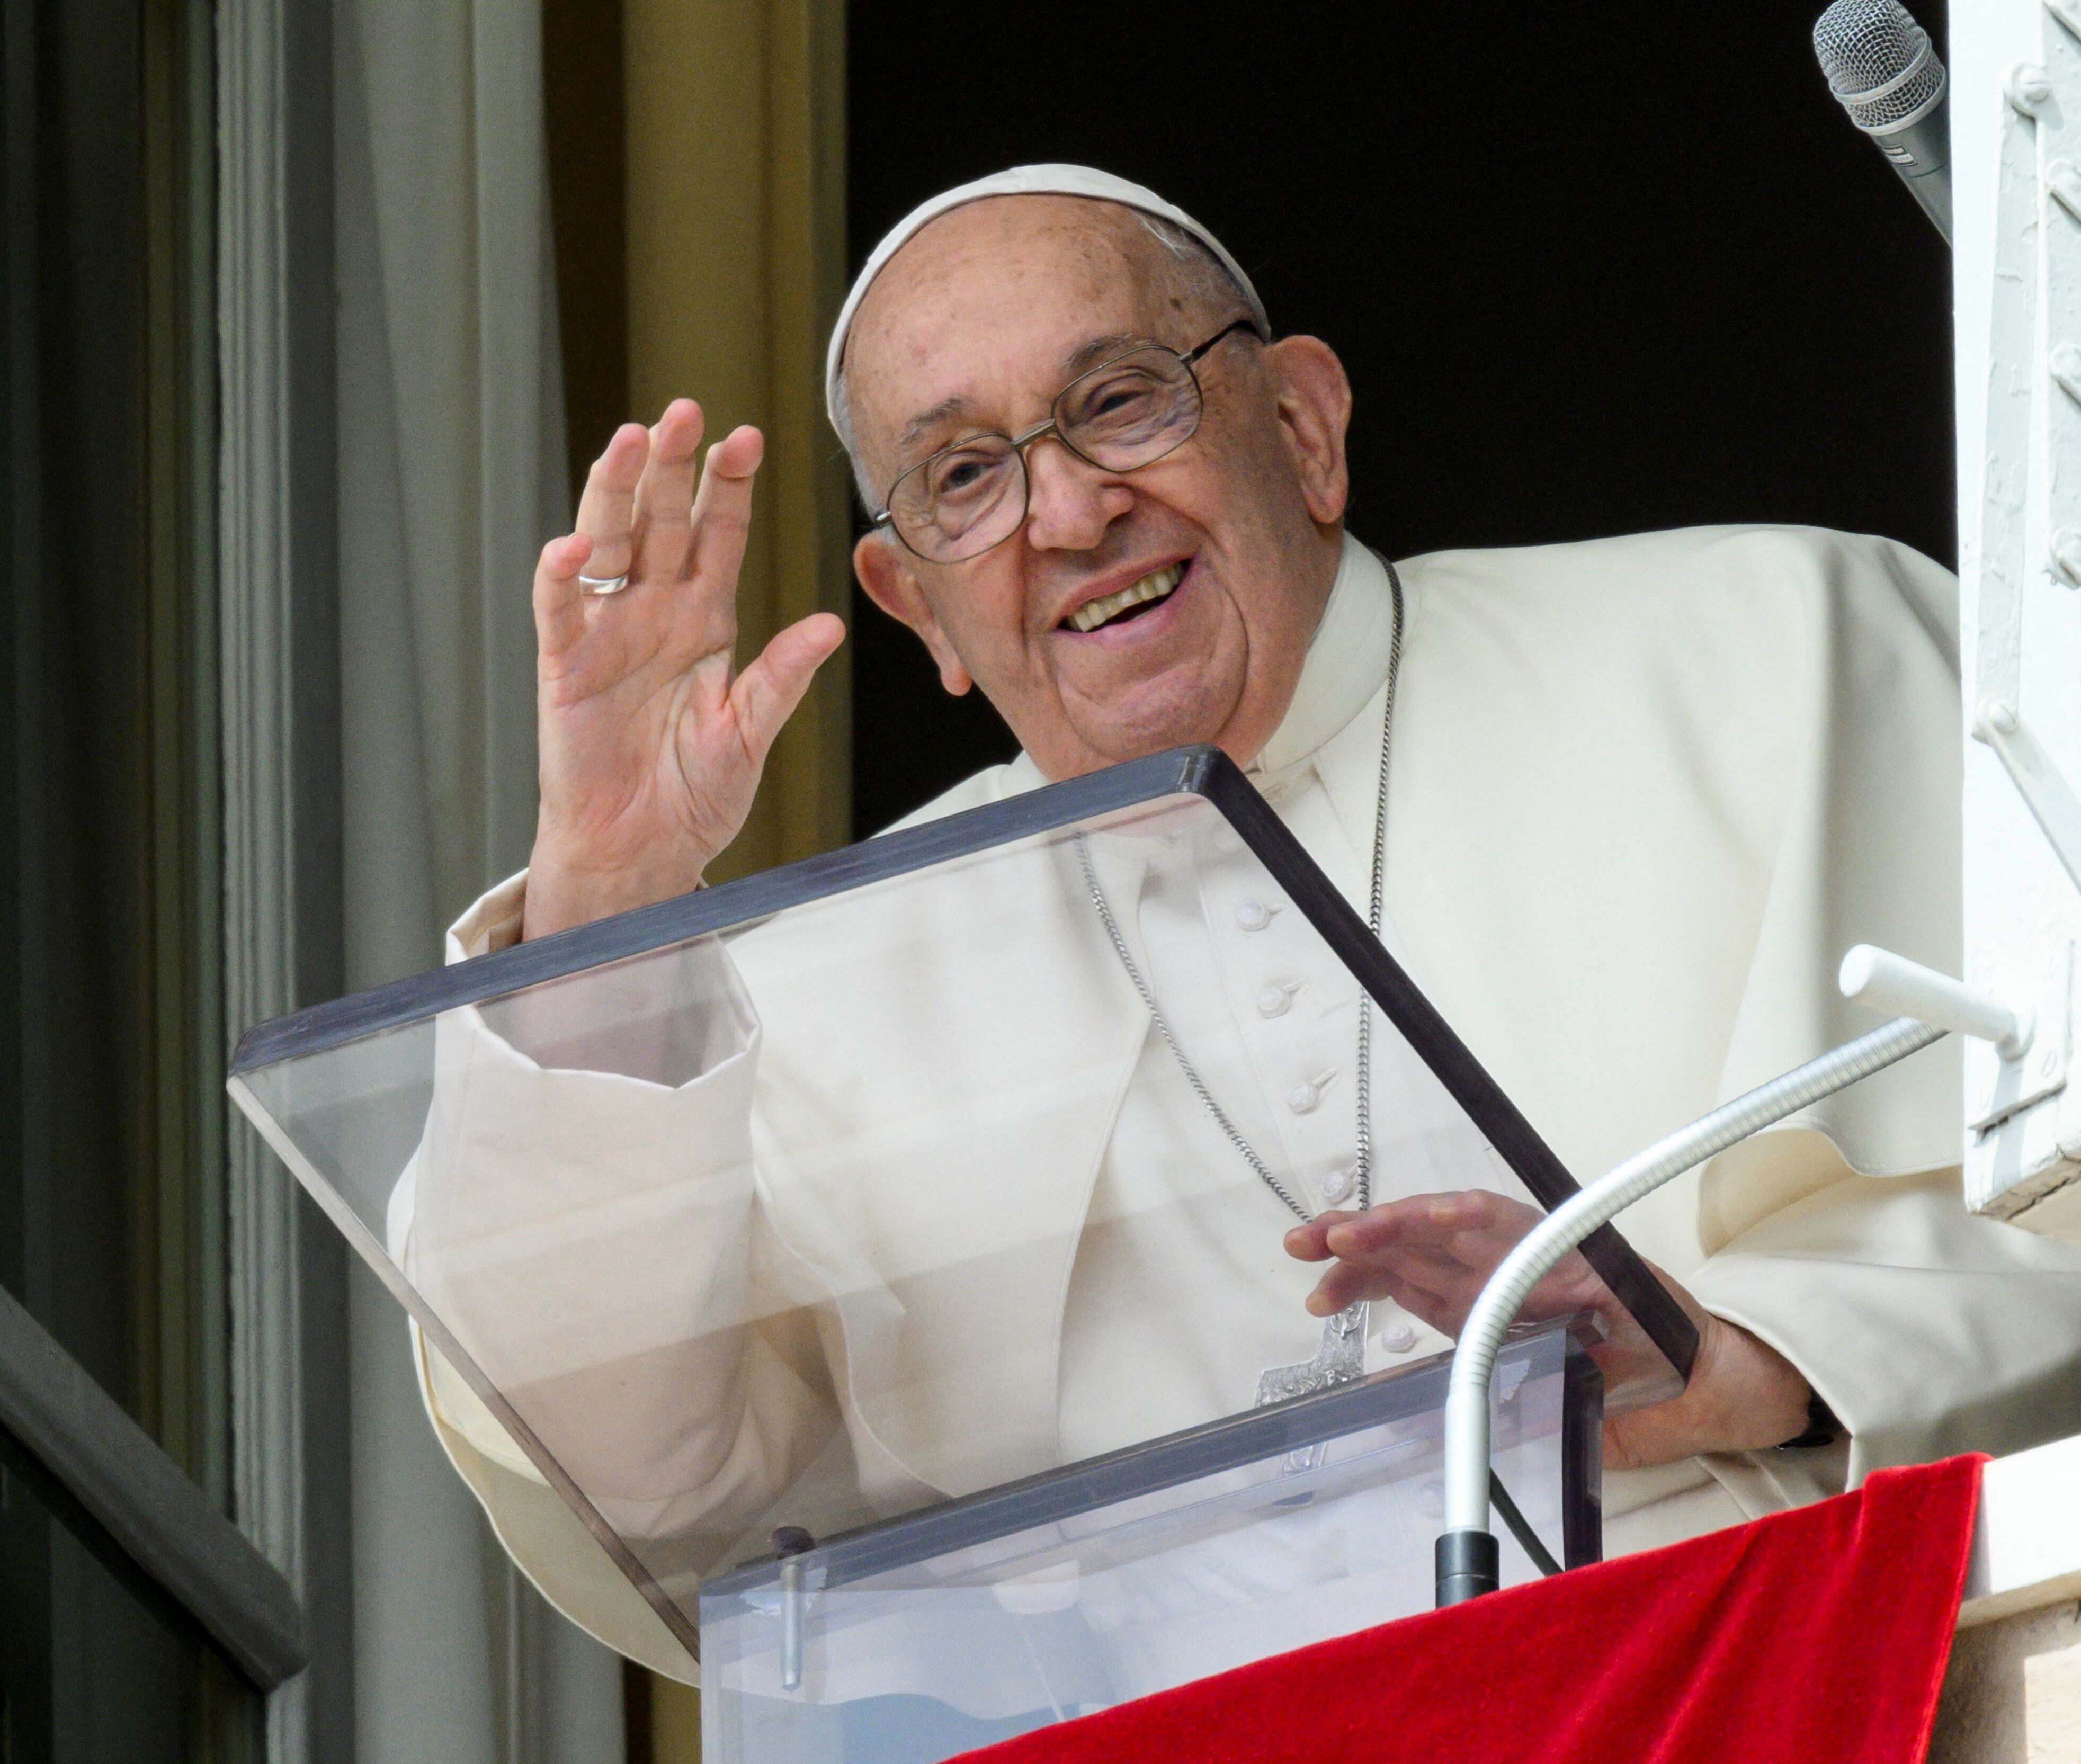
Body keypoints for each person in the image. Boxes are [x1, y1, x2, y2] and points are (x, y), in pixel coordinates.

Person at [395, 165, 2081, 1681]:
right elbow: (644, 1475)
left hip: (1783, 1681)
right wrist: (604, 901)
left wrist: (1753, 1354)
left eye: (1118, 402)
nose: (1067, 512)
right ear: (920, 606)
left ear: (1302, 424)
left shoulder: (1785, 645)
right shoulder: (829, 972)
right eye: (965, 475)